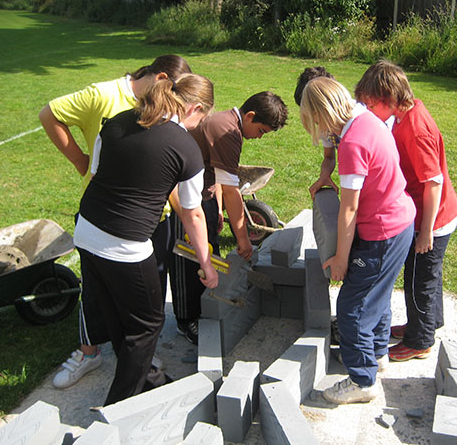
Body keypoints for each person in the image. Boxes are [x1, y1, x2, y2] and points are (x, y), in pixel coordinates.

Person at [39, 55, 192, 389]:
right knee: (96, 292)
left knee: (147, 296)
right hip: (103, 221)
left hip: (153, 221)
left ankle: (140, 356)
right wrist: (80, 161)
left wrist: (184, 214)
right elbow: (49, 114)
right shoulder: (102, 96)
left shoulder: (165, 113)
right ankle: (89, 352)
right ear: (161, 78)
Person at [74, 74, 218, 405]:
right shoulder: (186, 148)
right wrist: (207, 265)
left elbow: (96, 174)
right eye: (200, 120)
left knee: (118, 314)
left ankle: (148, 379)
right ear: (194, 108)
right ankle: (118, 407)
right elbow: (193, 215)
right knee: (148, 324)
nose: (197, 127)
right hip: (124, 246)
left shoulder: (118, 120)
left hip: (86, 230)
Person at [299, 77, 415, 404]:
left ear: (321, 113)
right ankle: (377, 354)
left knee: (352, 307)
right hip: (401, 222)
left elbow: (348, 210)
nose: (318, 129)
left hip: (381, 233)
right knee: (377, 294)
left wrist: (340, 258)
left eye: (314, 120)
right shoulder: (366, 117)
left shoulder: (352, 144)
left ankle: (363, 381)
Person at [355, 60, 457, 362]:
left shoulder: (415, 128)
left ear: (388, 98)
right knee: (429, 276)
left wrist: (426, 231)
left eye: (370, 104)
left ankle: (420, 341)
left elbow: (433, 183)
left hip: (433, 219)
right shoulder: (406, 115)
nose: (367, 110)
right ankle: (428, 322)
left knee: (418, 282)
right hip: (432, 216)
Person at [172, 91, 288, 344]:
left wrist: (217, 209)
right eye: (261, 130)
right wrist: (243, 239)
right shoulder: (227, 130)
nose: (259, 137)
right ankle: (186, 318)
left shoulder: (230, 125)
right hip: (186, 202)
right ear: (250, 116)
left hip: (205, 196)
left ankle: (205, 307)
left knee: (208, 255)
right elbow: (232, 190)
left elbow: (220, 175)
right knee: (189, 259)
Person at [294, 66, 339, 199]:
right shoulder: (326, 125)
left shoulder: (354, 127)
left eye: (312, 112)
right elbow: (329, 157)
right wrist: (324, 176)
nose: (314, 121)